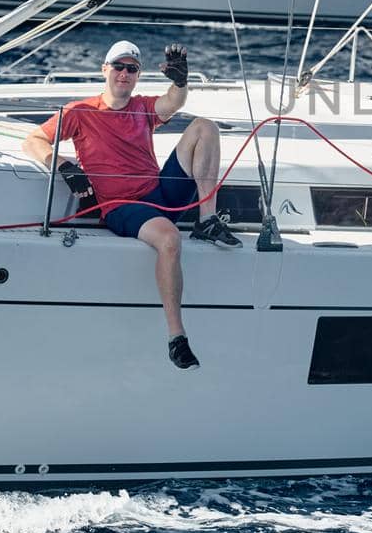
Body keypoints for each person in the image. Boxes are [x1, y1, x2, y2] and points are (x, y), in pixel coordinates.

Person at [22, 40, 239, 371]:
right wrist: (65, 166)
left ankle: (207, 220)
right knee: (169, 239)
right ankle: (176, 336)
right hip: (123, 207)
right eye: (119, 67)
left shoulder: (142, 107)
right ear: (105, 70)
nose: (124, 73)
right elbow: (32, 141)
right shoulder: (81, 112)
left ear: (137, 76)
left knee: (204, 126)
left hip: (160, 193)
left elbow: (172, 103)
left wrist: (180, 82)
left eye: (132, 69)